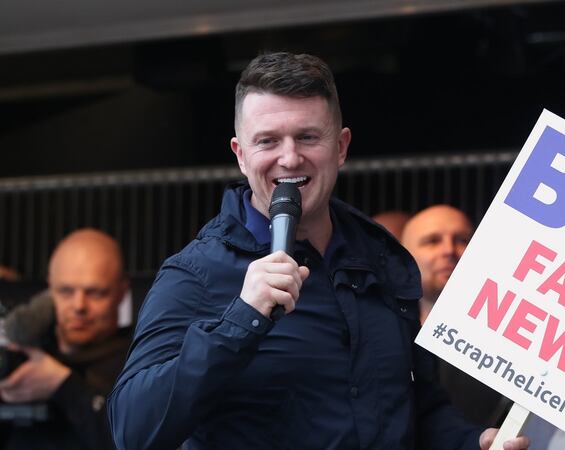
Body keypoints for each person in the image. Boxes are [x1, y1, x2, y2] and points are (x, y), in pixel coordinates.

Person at [108, 51, 529, 450]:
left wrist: (469, 442)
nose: (289, 158)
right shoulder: (197, 273)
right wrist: (241, 319)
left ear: (341, 147)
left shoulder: (382, 258)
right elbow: (133, 430)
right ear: (240, 155)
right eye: (267, 141)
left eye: (308, 137)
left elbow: (417, 408)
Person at [0, 228, 132, 450]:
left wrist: (63, 385)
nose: (79, 306)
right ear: (49, 289)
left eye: (95, 292)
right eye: (65, 291)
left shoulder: (141, 359)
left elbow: (137, 439)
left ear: (121, 292)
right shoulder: (24, 356)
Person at [401, 205, 508, 428]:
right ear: (403, 256)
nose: (449, 250)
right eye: (432, 241)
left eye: (463, 240)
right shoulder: (382, 337)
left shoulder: (510, 342)